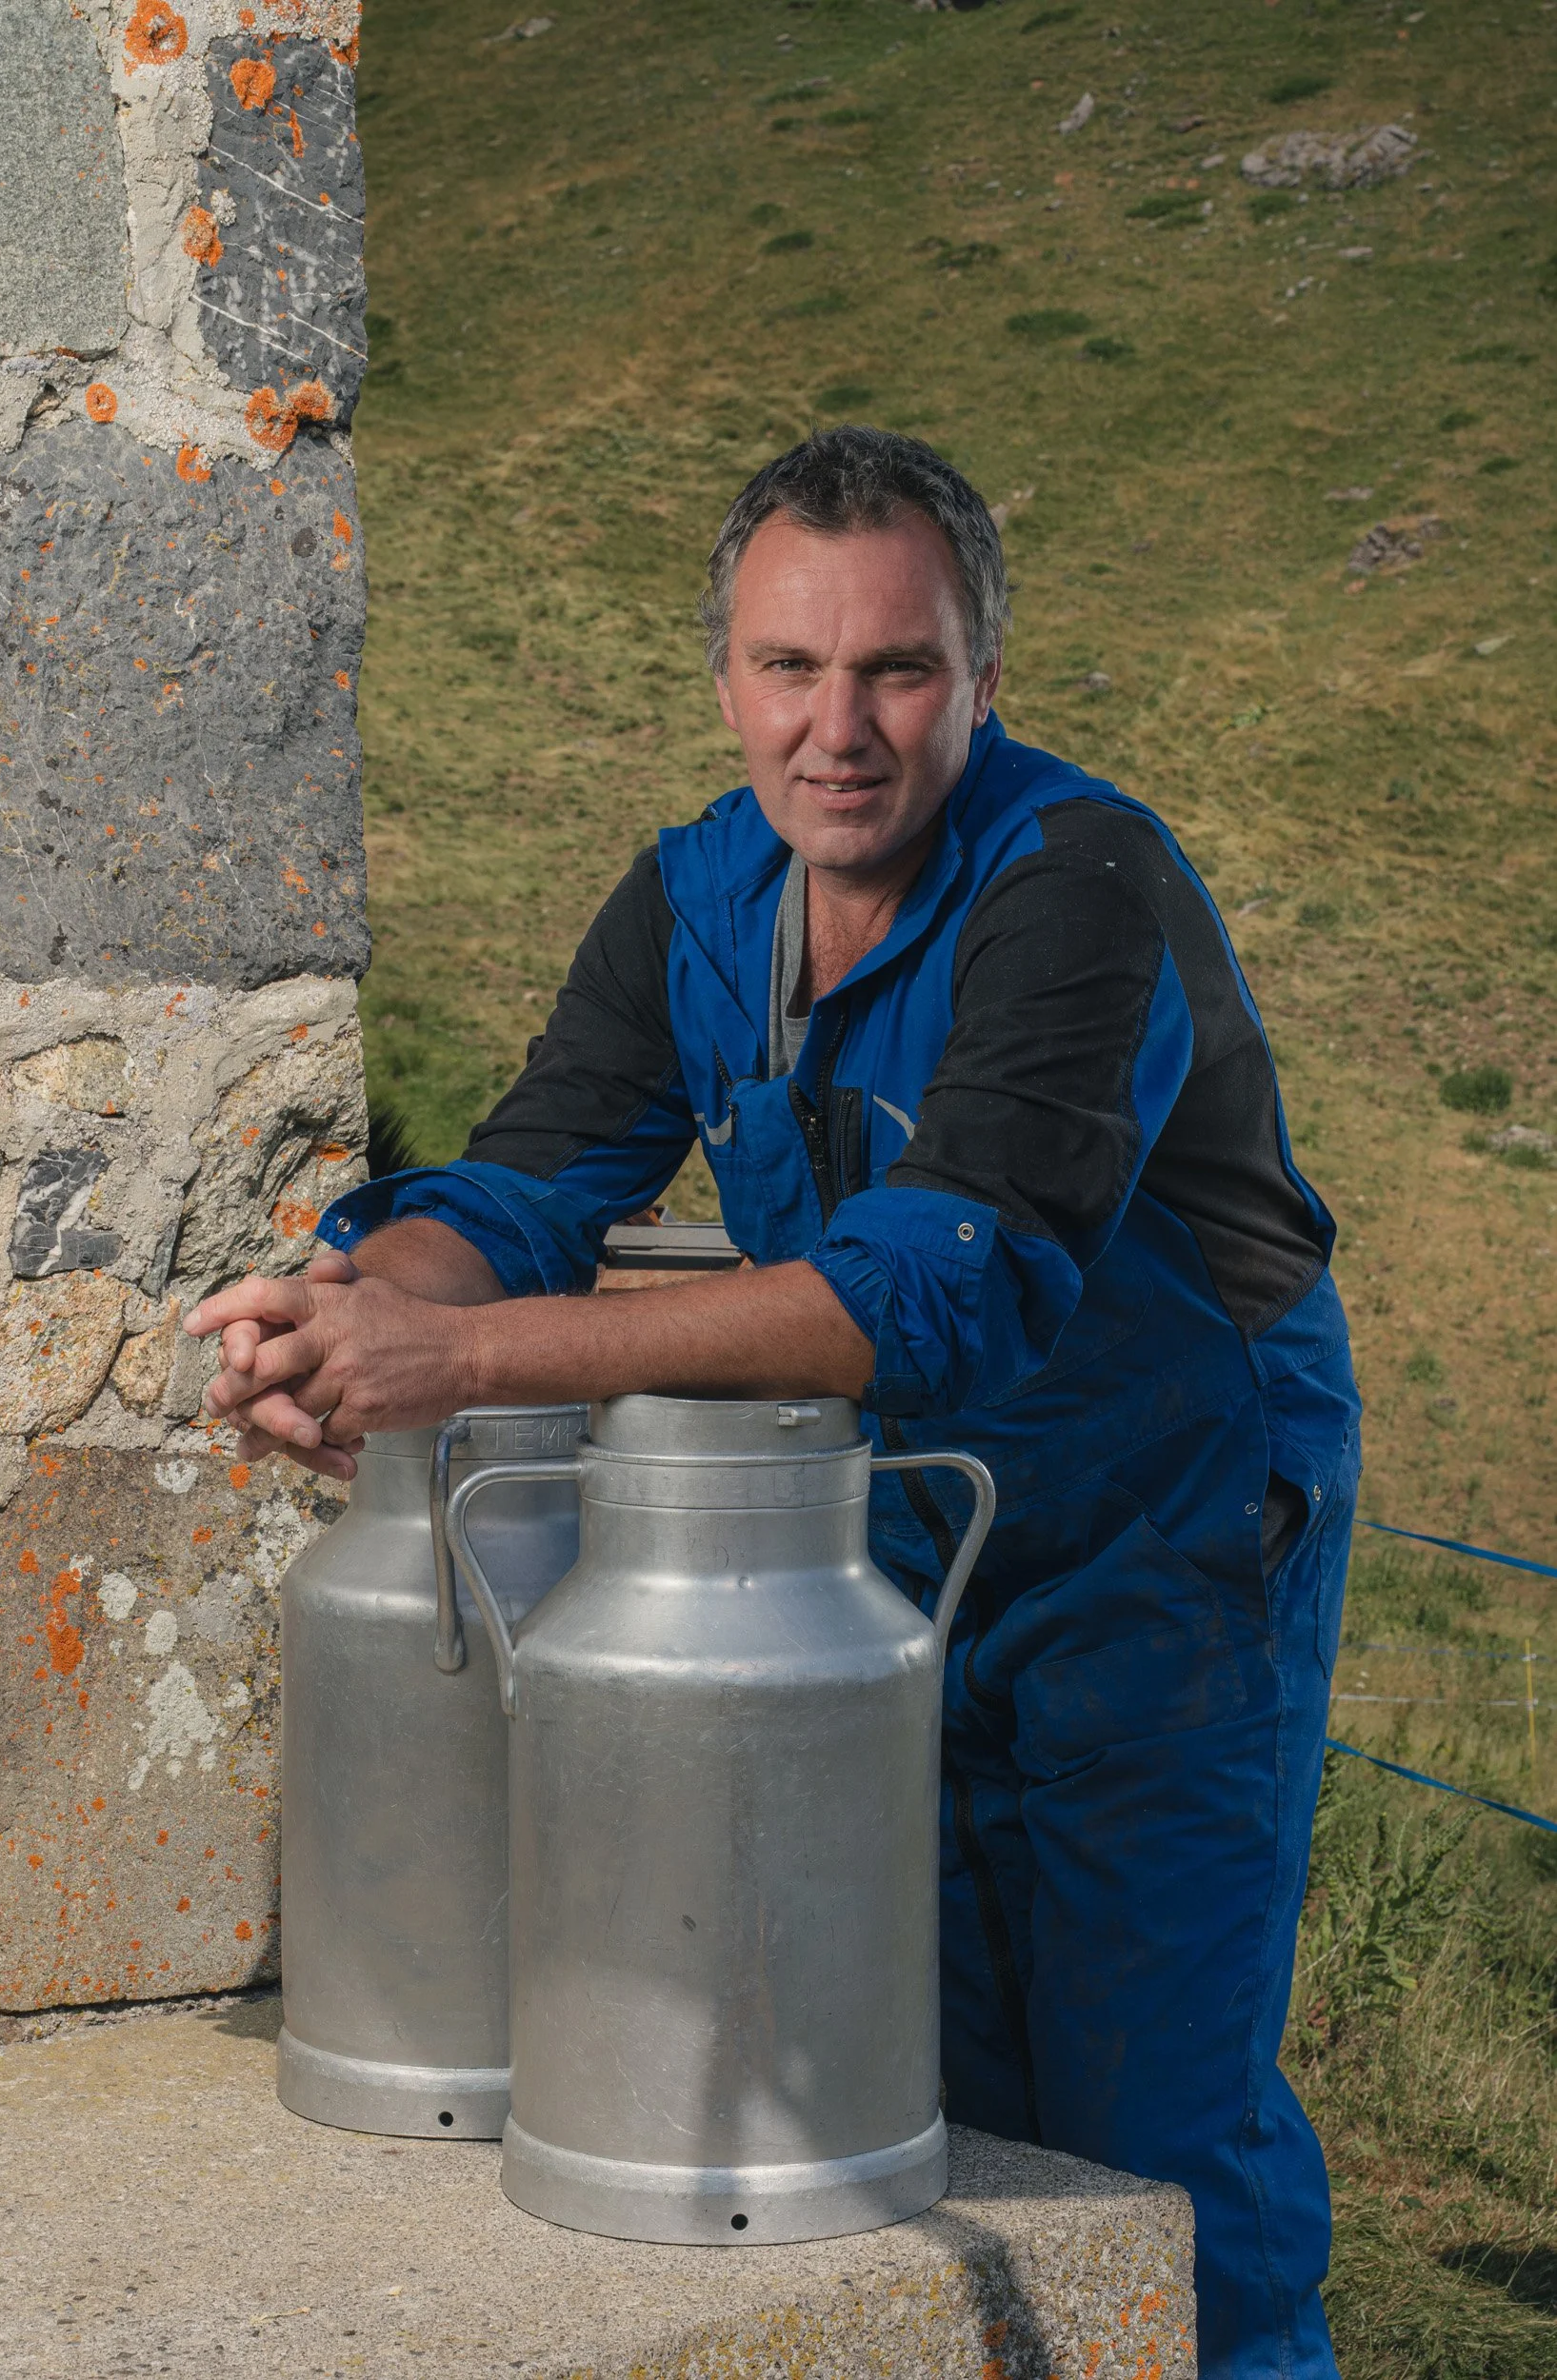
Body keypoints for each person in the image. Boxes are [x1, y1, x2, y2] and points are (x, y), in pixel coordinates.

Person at [188, 427, 1361, 2380]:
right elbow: (522, 1183)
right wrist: (348, 1310)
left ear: (984, 676)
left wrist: (462, 1364)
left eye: (895, 668)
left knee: (1149, 2124)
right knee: (914, 2082)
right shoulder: (692, 899)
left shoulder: (1078, 889)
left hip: (1162, 1537)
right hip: (891, 1547)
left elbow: (934, 1290)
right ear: (721, 673)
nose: (839, 727)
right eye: (789, 667)